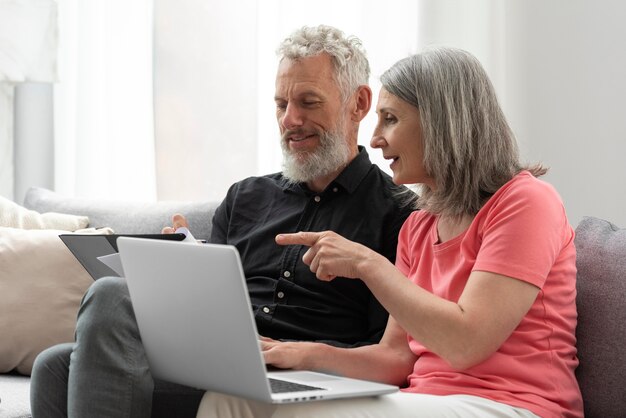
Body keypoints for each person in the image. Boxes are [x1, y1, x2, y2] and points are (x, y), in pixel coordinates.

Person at [29, 25, 413, 418]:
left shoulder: (400, 215)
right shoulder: (246, 197)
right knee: (54, 366)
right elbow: (209, 309)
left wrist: (297, 354)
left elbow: (391, 353)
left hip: (306, 374)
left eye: (308, 102)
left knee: (111, 296)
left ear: (359, 103)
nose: (290, 120)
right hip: (218, 363)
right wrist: (176, 272)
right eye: (281, 104)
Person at [193, 47, 584, 418]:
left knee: (293, 411)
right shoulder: (419, 224)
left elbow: (467, 344)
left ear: (442, 121)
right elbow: (395, 359)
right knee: (233, 399)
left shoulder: (525, 202)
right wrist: (297, 354)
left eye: (391, 119)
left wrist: (367, 264)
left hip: (513, 405)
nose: (376, 138)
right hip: (425, 402)